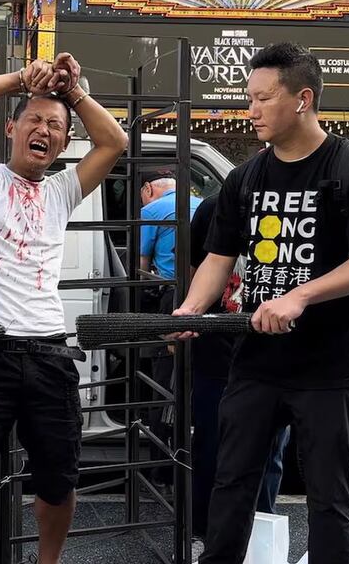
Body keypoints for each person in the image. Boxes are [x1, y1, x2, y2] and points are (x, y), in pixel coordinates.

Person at [172, 42, 349, 563]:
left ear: (303, 99)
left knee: (329, 499)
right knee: (231, 486)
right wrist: (192, 309)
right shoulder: (245, 178)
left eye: (263, 98)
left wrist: (298, 296)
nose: (250, 109)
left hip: (331, 366)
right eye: (249, 98)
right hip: (255, 362)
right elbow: (218, 259)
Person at [0, 54, 128, 564]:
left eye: (55, 126)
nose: (44, 130)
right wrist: (24, 79)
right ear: (11, 128)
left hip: (48, 352)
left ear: (64, 140)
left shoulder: (61, 190)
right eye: (34, 119)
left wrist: (72, 91)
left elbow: (114, 142)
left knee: (59, 481)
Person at [188, 194, 290, 538]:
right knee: (212, 446)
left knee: (270, 451)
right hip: (217, 350)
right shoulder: (215, 207)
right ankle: (204, 533)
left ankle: (260, 535)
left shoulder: (294, 208)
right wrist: (189, 315)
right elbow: (194, 270)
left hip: (274, 353)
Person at [139, 173, 201, 488]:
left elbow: (140, 264)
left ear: (148, 188)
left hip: (170, 298)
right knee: (193, 384)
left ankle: (162, 470)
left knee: (164, 385)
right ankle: (192, 463)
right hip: (204, 298)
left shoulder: (151, 210)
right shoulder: (202, 204)